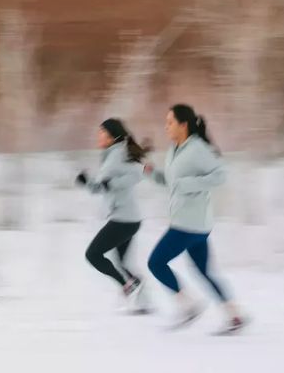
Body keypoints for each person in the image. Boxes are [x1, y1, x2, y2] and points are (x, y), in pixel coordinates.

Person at [144, 104, 244, 334]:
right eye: (166, 122)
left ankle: (188, 305)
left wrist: (189, 185)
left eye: (170, 122)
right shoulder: (174, 149)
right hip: (195, 224)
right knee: (204, 272)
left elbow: (220, 175)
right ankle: (235, 316)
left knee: (156, 263)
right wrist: (150, 173)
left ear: (183, 124)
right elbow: (172, 182)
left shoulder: (198, 149)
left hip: (187, 223)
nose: (166, 126)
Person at [76, 118, 149, 310]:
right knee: (123, 263)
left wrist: (104, 184)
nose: (98, 136)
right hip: (129, 218)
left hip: (123, 219)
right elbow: (102, 186)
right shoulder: (114, 153)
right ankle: (145, 303)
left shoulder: (117, 154)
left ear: (112, 136)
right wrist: (88, 182)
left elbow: (138, 173)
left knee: (93, 255)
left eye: (102, 133)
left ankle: (126, 286)